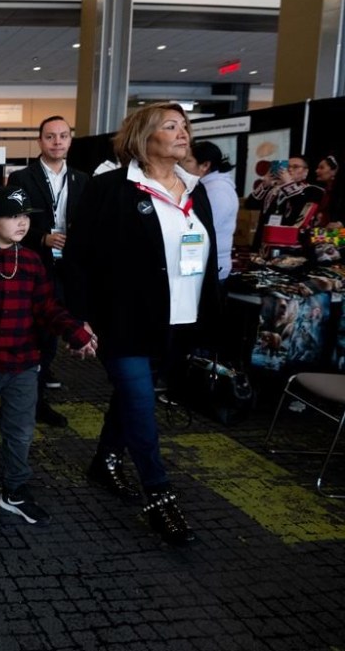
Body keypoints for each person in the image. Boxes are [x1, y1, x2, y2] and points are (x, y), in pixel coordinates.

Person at [63, 102, 221, 547]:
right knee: (141, 402)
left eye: (184, 125)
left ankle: (104, 460)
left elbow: (206, 260)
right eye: (170, 126)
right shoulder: (111, 188)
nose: (183, 132)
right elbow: (79, 257)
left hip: (179, 320)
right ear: (143, 136)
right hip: (124, 320)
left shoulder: (196, 189)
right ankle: (159, 494)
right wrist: (78, 319)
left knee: (134, 397)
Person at [0, 185, 97, 525]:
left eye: (25, 217)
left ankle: (14, 490)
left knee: (21, 429)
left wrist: (76, 331)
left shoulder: (30, 260)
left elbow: (46, 307)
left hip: (25, 362)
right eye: (12, 216)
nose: (22, 223)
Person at [7, 116, 90, 426]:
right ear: (40, 141)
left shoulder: (83, 180)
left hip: (69, 266)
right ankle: (31, 401)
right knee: (36, 335)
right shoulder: (21, 178)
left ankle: (36, 396)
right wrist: (42, 237)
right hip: (35, 264)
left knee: (55, 333)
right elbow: (11, 222)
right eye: (50, 136)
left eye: (63, 136)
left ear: (70, 140)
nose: (57, 142)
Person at [181, 141, 238, 282]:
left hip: (211, 266)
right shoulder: (205, 186)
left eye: (188, 161)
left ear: (205, 165)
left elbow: (202, 229)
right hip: (200, 263)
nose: (182, 165)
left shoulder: (217, 190)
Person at [246, 155, 323, 251]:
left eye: (295, 167)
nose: (290, 170)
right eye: (287, 167)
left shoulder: (313, 190)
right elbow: (249, 204)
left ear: (305, 172)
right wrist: (264, 184)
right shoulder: (274, 189)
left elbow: (299, 209)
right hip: (263, 242)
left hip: (290, 245)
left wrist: (288, 183)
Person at [314, 153, 344, 227]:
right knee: (304, 235)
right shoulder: (325, 191)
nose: (316, 171)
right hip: (328, 231)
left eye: (321, 168)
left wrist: (341, 223)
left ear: (334, 171)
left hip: (341, 233)